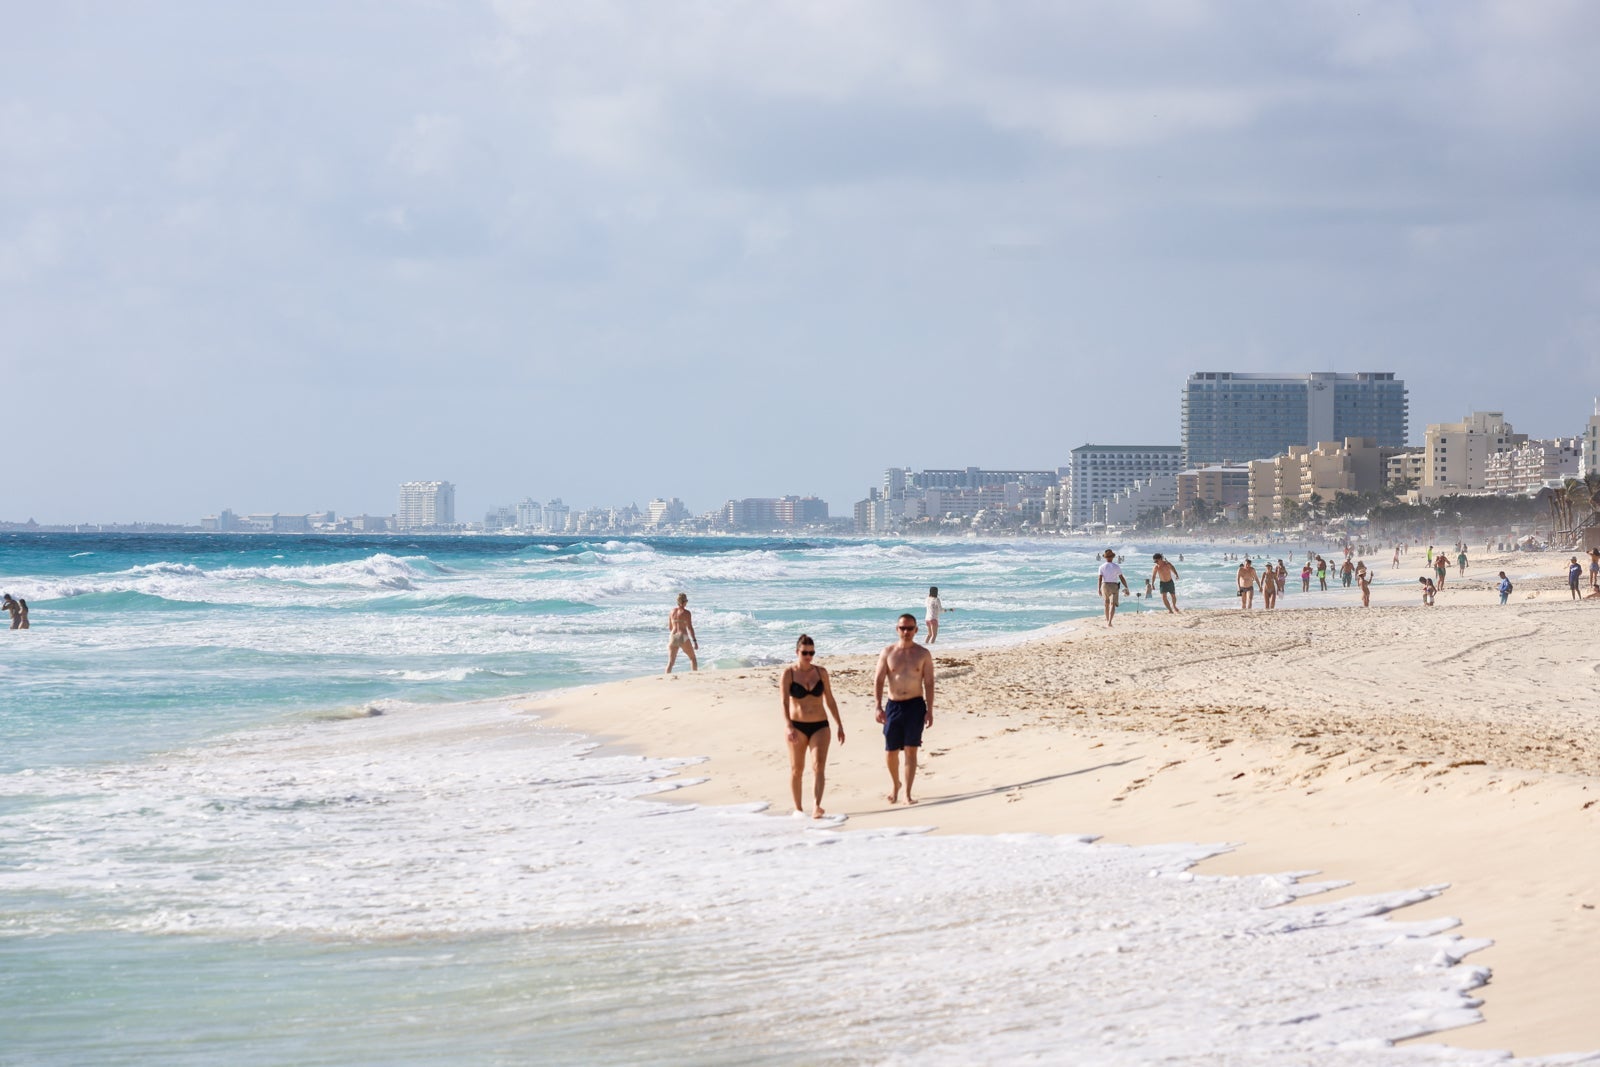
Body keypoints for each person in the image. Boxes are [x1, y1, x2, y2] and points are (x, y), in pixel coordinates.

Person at [780, 634, 846, 819]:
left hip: (820, 726)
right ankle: (798, 809)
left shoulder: (820, 672)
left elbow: (830, 700)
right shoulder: (789, 674)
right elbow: (784, 702)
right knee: (797, 769)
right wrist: (788, 726)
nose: (809, 656)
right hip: (797, 726)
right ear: (797, 652)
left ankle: (817, 806)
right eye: (805, 653)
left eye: (812, 653)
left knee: (818, 766)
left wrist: (839, 724)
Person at [873, 614, 934, 805]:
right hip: (894, 706)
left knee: (911, 750)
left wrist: (929, 709)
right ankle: (895, 785)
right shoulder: (888, 652)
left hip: (915, 705)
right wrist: (877, 706)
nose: (906, 632)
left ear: (916, 630)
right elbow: (879, 680)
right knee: (891, 751)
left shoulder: (923, 654)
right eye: (902, 628)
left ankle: (907, 793)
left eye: (910, 628)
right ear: (897, 629)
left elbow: (929, 682)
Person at [1097, 549, 1130, 628]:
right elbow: (1121, 578)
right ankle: (1110, 622)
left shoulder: (1101, 566)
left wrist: (1099, 589)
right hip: (1114, 586)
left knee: (1106, 604)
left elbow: (1100, 578)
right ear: (1112, 557)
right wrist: (1126, 587)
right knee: (1112, 604)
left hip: (1104, 585)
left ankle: (1107, 620)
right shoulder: (1116, 566)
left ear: (1105, 557)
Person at [666, 593, 698, 672]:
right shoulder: (687, 613)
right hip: (682, 635)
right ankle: (695, 676)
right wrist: (694, 641)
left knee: (671, 662)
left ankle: (665, 679)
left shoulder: (671, 612)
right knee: (692, 658)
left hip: (673, 636)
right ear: (685, 601)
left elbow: (670, 627)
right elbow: (690, 628)